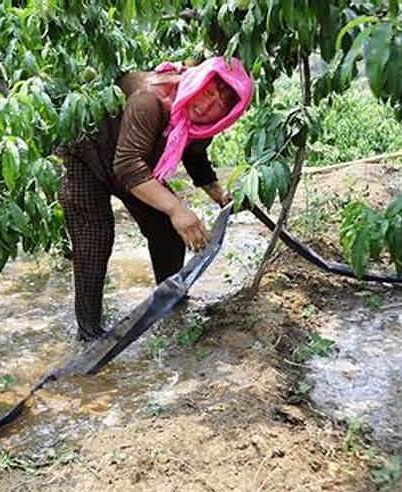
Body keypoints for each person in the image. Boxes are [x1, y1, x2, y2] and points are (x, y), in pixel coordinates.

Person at [57, 57, 254, 341]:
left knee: (166, 230)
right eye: (208, 93)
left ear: (227, 116)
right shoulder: (150, 100)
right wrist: (176, 208)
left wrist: (219, 195)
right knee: (94, 240)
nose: (206, 107)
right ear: (199, 82)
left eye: (218, 107)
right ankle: (88, 332)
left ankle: (171, 302)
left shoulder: (201, 123)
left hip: (133, 162)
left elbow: (194, 154)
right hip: (87, 155)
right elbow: (127, 167)